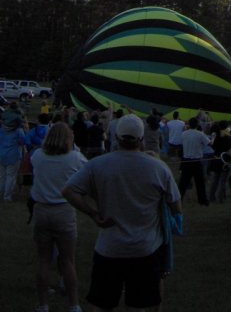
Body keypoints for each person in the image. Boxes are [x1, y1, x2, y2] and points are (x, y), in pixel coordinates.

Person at [62, 113, 182, 312]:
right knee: (138, 305)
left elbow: (68, 191)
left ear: (116, 137)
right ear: (141, 139)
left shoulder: (97, 164)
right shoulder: (158, 168)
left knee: (102, 304)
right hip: (145, 248)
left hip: (109, 247)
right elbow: (176, 206)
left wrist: (93, 213)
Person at [30, 122, 87, 312]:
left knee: (43, 260)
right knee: (67, 260)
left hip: (42, 211)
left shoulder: (37, 156)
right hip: (63, 211)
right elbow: (87, 172)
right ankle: (74, 304)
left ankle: (43, 304)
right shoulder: (75, 158)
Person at [0, 102, 28, 200]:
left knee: (2, 176)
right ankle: (7, 196)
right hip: (13, 156)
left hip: (1, 154)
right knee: (11, 176)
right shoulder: (18, 131)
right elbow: (25, 142)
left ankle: (1, 193)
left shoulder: (2, 129)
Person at [179, 117, 210, 205]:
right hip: (196, 161)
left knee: (183, 183)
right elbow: (209, 143)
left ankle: (178, 199)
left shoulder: (184, 134)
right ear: (197, 125)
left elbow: (181, 144)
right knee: (200, 182)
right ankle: (203, 200)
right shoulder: (200, 134)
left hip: (186, 161)